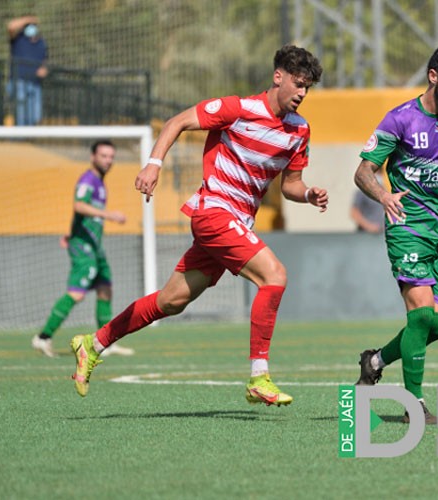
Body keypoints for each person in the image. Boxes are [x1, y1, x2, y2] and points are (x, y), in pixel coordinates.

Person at [69, 45, 327, 405]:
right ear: (278, 76)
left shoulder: (299, 131)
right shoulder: (238, 110)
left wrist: (309, 194)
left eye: (308, 88)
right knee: (275, 276)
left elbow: (290, 186)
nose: (302, 93)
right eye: (298, 84)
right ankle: (259, 376)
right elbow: (177, 122)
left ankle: (92, 344)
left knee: (171, 301)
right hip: (214, 212)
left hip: (236, 222)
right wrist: (153, 164)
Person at [353, 33, 438, 424]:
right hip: (408, 227)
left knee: (437, 326)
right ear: (433, 76)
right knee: (422, 316)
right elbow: (363, 172)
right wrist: (383, 196)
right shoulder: (400, 119)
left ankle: (374, 361)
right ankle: (415, 405)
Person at [33, 141, 134, 358]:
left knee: (105, 289)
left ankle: (106, 342)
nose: (108, 160)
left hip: (95, 245)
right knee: (76, 294)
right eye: (104, 155)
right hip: (84, 246)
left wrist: (72, 230)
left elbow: (82, 214)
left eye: (111, 156)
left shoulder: (99, 182)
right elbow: (78, 205)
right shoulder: (88, 180)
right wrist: (109, 215)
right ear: (93, 157)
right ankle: (43, 337)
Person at [7, 15, 48, 125]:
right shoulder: (18, 39)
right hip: (19, 82)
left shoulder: (41, 43)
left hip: (35, 83)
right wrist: (29, 19)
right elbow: (10, 26)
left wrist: (44, 70)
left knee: (35, 116)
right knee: (21, 115)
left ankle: (26, 139)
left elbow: (44, 61)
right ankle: (19, 140)